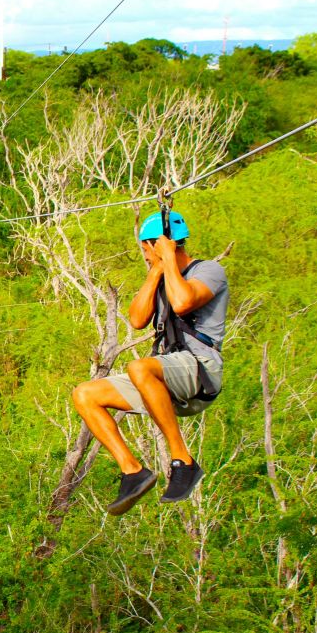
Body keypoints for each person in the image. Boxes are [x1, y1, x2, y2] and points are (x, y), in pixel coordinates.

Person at [71, 211, 228, 515]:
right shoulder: (160, 276)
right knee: (85, 395)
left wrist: (167, 260)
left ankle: (183, 460)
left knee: (140, 367)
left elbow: (183, 302)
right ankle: (133, 472)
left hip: (201, 369)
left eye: (145, 250)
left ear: (157, 245)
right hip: (164, 377)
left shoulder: (209, 271)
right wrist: (156, 272)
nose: (144, 257)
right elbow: (137, 318)